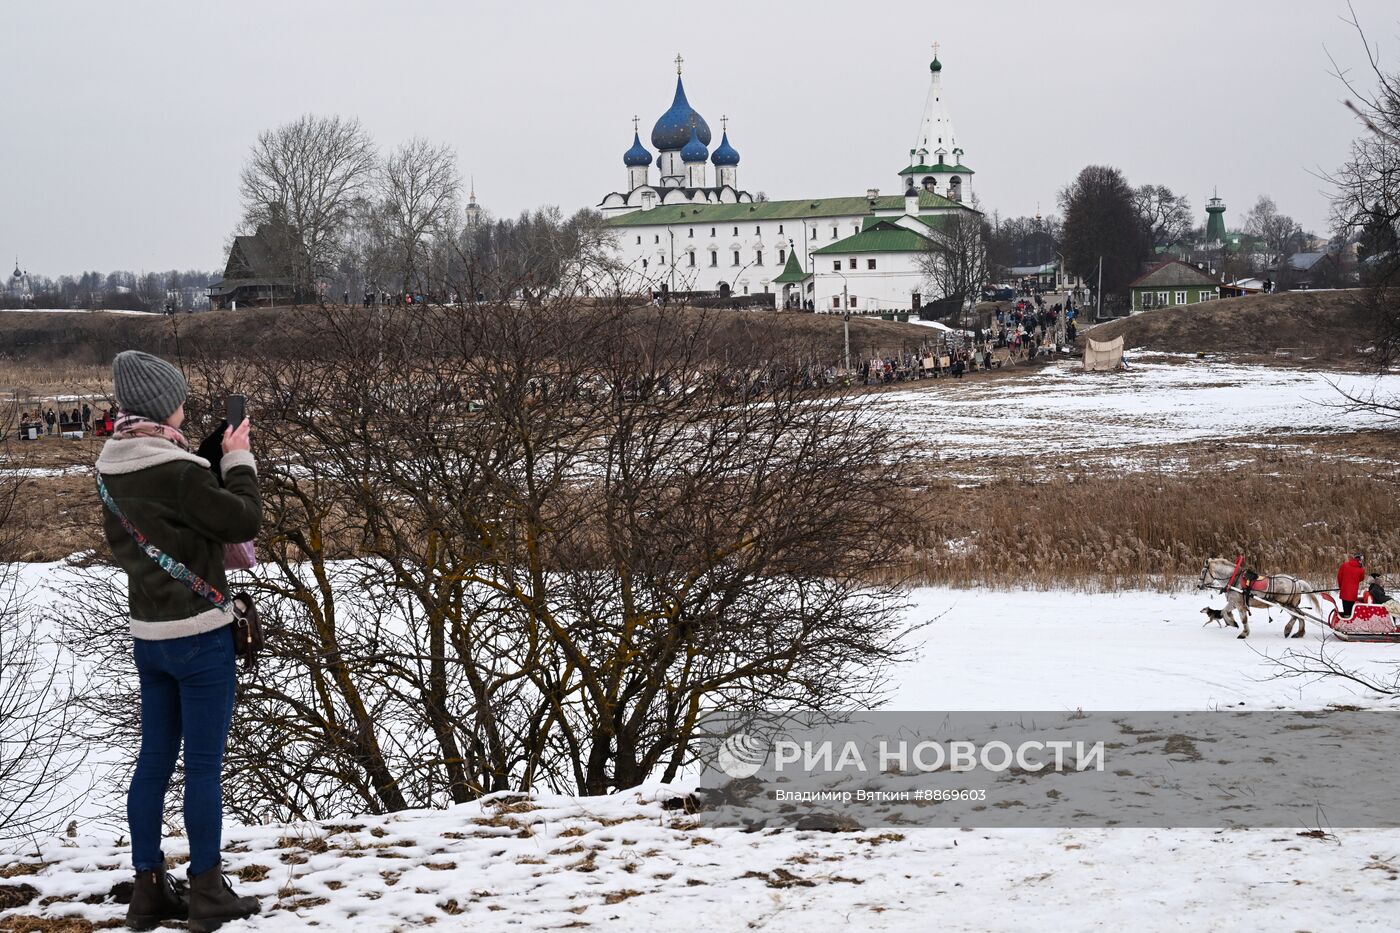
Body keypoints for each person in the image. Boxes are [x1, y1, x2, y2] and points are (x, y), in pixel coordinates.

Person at [96, 351, 262, 932]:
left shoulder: (112, 464)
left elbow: (172, 509)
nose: (186, 407)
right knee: (203, 768)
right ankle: (208, 890)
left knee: (155, 760)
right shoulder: (179, 472)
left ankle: (148, 889)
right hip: (200, 638)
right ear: (164, 404)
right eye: (181, 399)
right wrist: (237, 461)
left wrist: (205, 456)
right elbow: (240, 520)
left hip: (150, 637)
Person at [1338, 553, 1366, 617]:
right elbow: (1362, 578)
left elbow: (1339, 577)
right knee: (1351, 608)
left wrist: (1341, 587)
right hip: (1353, 591)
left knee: (1345, 606)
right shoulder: (1361, 569)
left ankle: (1346, 616)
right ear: (1360, 560)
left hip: (1344, 590)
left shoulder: (1344, 565)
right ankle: (1349, 618)